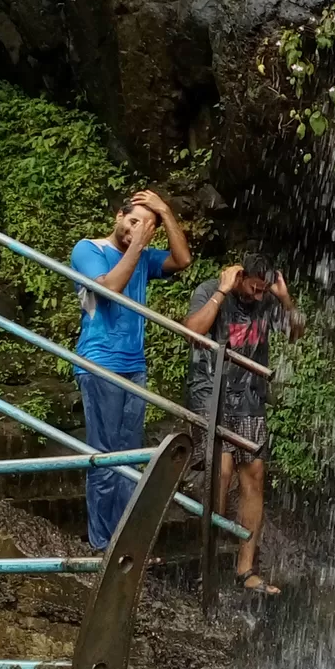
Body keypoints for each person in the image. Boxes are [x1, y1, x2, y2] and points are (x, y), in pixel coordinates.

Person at [71, 190, 192, 550]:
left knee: (129, 457)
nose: (137, 230)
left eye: (147, 226)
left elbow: (182, 260)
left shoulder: (143, 257)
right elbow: (108, 288)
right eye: (134, 221)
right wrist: (139, 244)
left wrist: (165, 212)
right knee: (106, 455)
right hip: (99, 363)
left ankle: (125, 543)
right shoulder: (88, 249)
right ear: (118, 217)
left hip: (134, 366)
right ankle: (101, 543)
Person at [185, 254, 304, 596]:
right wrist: (222, 292)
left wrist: (284, 299)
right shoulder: (210, 290)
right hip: (210, 394)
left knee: (254, 476)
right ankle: (207, 565)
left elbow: (296, 332)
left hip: (250, 398)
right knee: (220, 472)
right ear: (239, 276)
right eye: (254, 288)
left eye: (264, 289)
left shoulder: (267, 300)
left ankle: (246, 569)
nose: (258, 295)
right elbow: (192, 332)